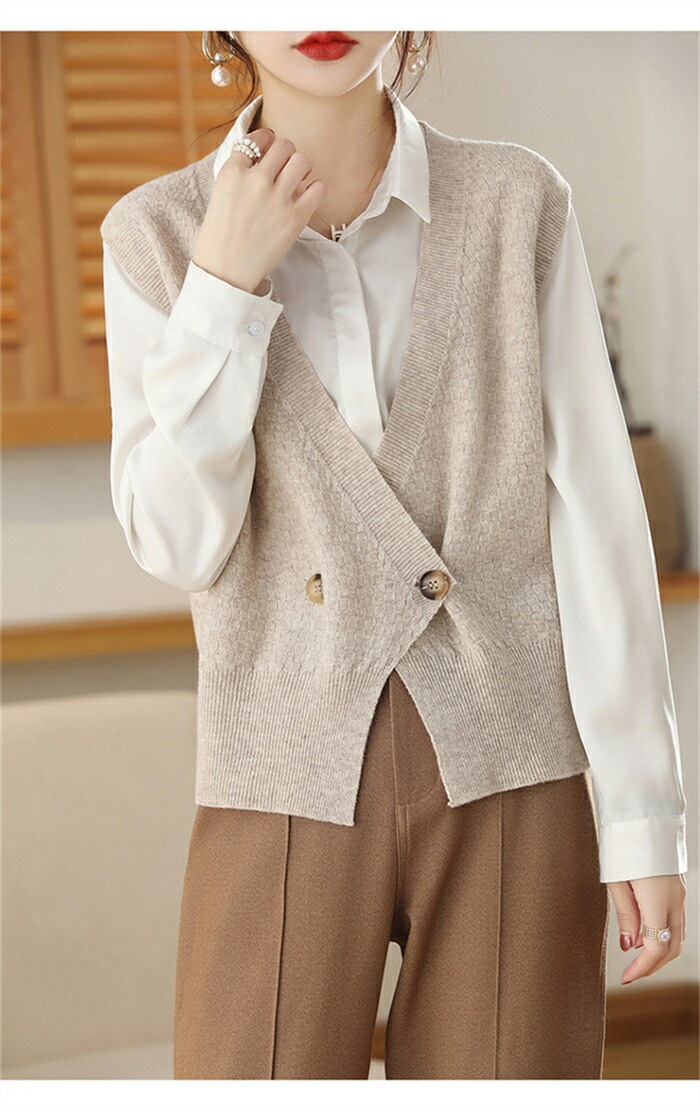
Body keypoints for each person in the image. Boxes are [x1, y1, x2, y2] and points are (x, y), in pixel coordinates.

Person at [100, 31, 688, 1080]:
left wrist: (642, 815)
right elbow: (179, 540)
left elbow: (598, 518)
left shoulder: (517, 203)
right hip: (278, 772)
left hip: (512, 767)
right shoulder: (158, 232)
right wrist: (223, 287)